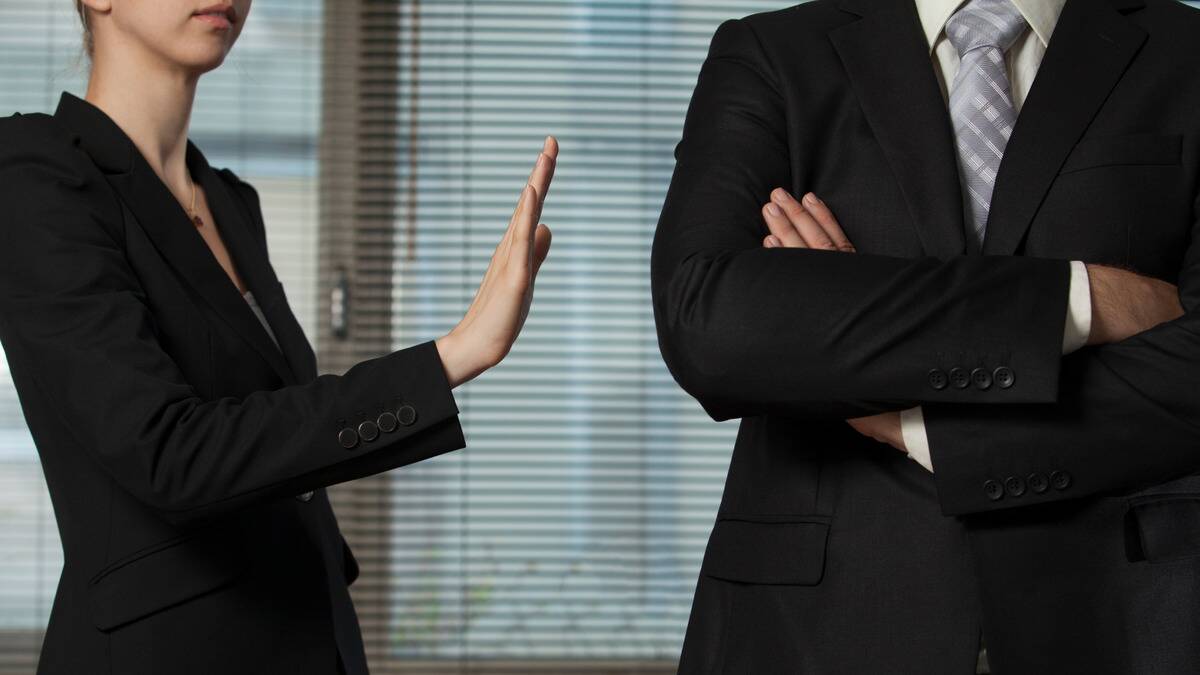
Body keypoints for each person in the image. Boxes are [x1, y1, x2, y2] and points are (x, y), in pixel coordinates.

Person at [0, 1, 556, 673]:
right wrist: (455, 353)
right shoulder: (36, 174)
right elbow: (168, 453)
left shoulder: (231, 202)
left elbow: (274, 445)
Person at [652, 0, 1200, 672]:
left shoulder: (1187, 54)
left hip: (1126, 617)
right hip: (814, 627)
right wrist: (1077, 299)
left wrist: (881, 385)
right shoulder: (773, 54)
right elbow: (709, 321)